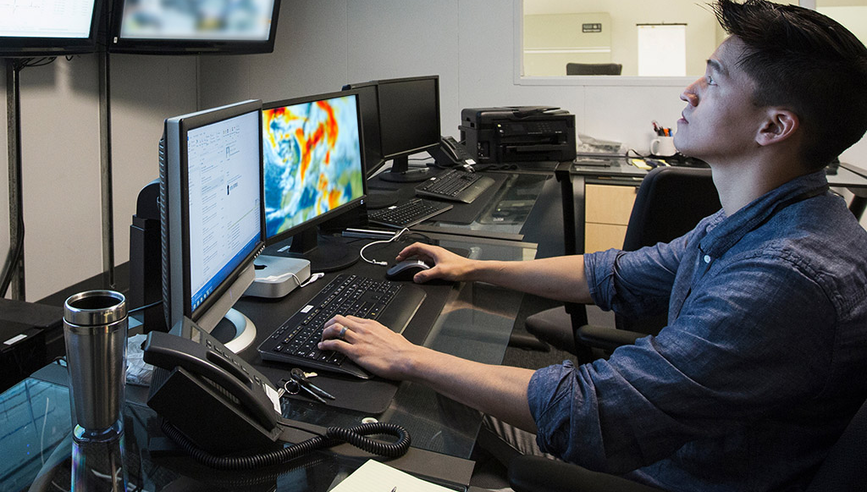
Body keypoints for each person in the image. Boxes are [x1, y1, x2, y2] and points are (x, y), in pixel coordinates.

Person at [319, 0, 867, 489]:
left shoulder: (783, 277)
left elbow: (594, 410)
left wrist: (410, 358)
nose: (689, 91)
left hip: (665, 471)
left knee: (396, 421)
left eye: (714, 80)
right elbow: (613, 273)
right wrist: (473, 268)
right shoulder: (761, 222)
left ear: (773, 127)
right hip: (671, 443)